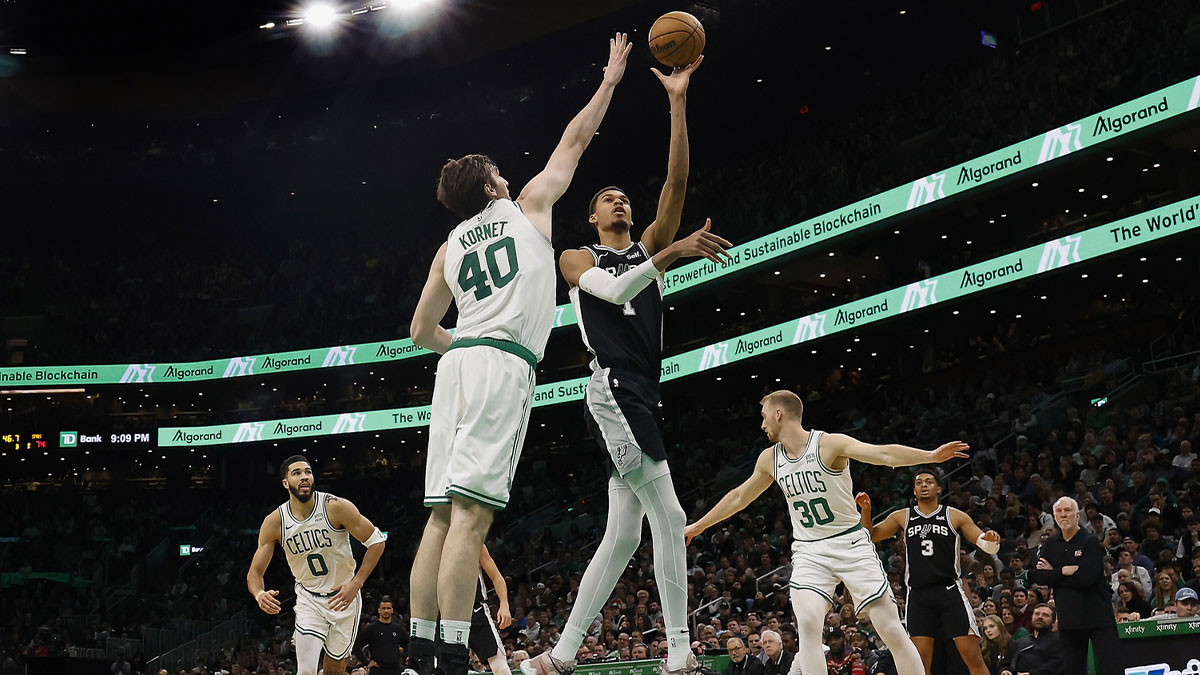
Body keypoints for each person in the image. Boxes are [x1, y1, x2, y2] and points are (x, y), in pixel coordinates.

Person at [406, 33, 632, 675]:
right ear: (494, 183)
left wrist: (462, 347)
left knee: (439, 521)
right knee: (472, 520)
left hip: (456, 364)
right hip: (501, 363)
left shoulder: (448, 245)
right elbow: (576, 140)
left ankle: (423, 653)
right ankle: (452, 657)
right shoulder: (527, 205)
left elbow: (420, 330)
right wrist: (610, 81)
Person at [522, 54, 726, 675]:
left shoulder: (647, 244)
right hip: (612, 391)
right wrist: (672, 256)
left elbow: (678, 184)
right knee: (671, 515)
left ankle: (559, 657)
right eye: (607, 199)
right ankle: (680, 654)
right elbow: (611, 294)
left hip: (642, 391)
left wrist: (677, 99)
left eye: (623, 200)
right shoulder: (575, 257)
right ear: (591, 217)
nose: (618, 203)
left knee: (623, 538)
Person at [684, 390, 970, 675]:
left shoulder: (828, 444)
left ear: (779, 413)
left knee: (891, 629)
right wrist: (700, 525)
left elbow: (882, 453)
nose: (762, 424)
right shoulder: (769, 459)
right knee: (807, 625)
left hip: (850, 543)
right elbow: (738, 497)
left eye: (764, 416)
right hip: (810, 550)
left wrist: (930, 455)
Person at [247, 456, 387, 675]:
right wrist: (258, 593)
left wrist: (356, 583)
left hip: (343, 598)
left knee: (334, 670)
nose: (304, 477)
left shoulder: (335, 507)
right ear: (285, 483)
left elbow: (377, 542)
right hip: (309, 599)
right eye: (297, 473)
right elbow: (255, 572)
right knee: (306, 671)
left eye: (308, 472)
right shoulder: (276, 521)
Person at [858, 469, 1000, 675]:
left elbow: (984, 542)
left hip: (949, 591)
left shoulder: (954, 515)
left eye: (929, 481)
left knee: (971, 656)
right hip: (918, 595)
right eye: (919, 482)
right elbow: (869, 536)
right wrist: (866, 511)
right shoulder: (902, 516)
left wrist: (991, 542)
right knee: (920, 663)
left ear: (939, 488)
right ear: (914, 490)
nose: (924, 485)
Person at [1027, 497, 1118, 675]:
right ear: (1054, 517)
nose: (1063, 514)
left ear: (1077, 516)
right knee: (1072, 670)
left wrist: (1053, 573)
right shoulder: (1051, 544)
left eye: (1068, 510)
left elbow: (1086, 579)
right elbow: (1036, 576)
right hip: (1069, 619)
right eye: (1059, 511)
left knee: (1111, 669)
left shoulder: (1089, 541)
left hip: (1098, 616)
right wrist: (1063, 571)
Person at [471, 544, 514, 675]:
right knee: (441, 666)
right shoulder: (438, 545)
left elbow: (496, 576)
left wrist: (504, 604)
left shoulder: (475, 543)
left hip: (476, 609)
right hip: (448, 614)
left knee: (499, 662)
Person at [1001, 605, 1061, 675]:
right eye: (1037, 614)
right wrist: (1004, 671)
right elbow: (1005, 664)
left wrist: (1032, 673)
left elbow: (1057, 664)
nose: (1040, 617)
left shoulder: (1058, 640)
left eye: (1045, 615)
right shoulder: (1019, 642)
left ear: (1053, 621)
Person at [356, 597, 404, 675]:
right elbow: (356, 645)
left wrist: (403, 659)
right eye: (383, 608)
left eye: (388, 608)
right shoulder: (371, 628)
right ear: (379, 610)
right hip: (377, 669)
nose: (386, 611)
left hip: (395, 669)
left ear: (392, 610)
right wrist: (366, 662)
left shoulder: (397, 628)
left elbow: (407, 643)